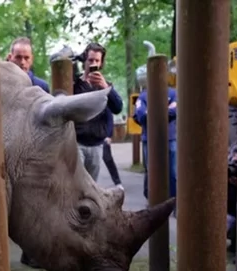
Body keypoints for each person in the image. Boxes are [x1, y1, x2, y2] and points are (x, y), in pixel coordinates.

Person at [6, 36, 49, 269]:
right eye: (18, 56)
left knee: (34, 203)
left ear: (31, 60)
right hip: (7, 153)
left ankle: (31, 252)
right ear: (10, 56)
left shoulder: (40, 86)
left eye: (26, 57)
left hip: (33, 153)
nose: (22, 61)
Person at [72, 43, 123, 183]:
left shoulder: (105, 85)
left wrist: (106, 88)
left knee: (91, 186)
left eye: (97, 61)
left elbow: (118, 107)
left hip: (96, 145)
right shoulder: (75, 84)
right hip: (77, 144)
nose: (93, 64)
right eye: (90, 60)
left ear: (101, 63)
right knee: (77, 185)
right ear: (85, 61)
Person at [132, 86, 178, 201]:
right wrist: (163, 111)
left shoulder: (173, 93)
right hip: (149, 137)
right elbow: (140, 115)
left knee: (173, 171)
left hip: (170, 137)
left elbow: (174, 111)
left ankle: (174, 200)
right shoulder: (143, 96)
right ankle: (152, 198)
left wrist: (150, 112)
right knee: (151, 169)